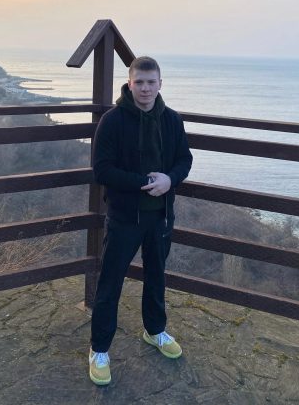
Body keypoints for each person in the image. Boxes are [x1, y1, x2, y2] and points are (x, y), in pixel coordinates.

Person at [88, 56, 193, 385]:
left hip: (161, 216)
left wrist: (170, 180)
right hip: (124, 218)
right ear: (129, 83)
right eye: (140, 82)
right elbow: (101, 170)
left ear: (160, 83)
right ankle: (99, 349)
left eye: (151, 82)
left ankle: (155, 330)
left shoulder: (172, 120)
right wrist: (143, 183)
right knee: (110, 283)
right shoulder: (112, 121)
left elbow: (184, 159)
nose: (145, 88)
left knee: (157, 277)